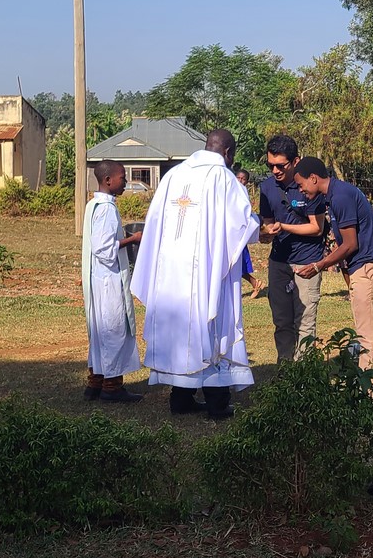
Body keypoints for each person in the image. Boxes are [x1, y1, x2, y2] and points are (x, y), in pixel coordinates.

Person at [132, 129, 260, 419]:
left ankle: (181, 398)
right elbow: (240, 223)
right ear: (228, 153)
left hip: (170, 271)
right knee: (211, 325)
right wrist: (258, 224)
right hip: (206, 270)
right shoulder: (223, 178)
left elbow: (154, 221)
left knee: (180, 331)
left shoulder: (173, 176)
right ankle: (217, 403)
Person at [293, 157, 373, 367]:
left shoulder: (340, 196)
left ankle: (370, 385)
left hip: (369, 265)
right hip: (365, 264)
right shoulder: (334, 195)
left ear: (313, 178)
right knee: (366, 327)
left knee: (367, 333)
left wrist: (318, 265)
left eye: (301, 184)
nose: (300, 190)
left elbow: (350, 244)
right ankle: (366, 377)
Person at [257, 135, 327, 362]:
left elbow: (317, 228)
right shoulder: (267, 187)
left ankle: (304, 373)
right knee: (282, 321)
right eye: (270, 165)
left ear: (295, 161)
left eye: (281, 165)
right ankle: (285, 370)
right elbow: (268, 223)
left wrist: (284, 226)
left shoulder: (309, 184)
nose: (275, 171)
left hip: (307, 261)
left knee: (305, 321)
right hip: (279, 261)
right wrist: (266, 234)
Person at [82, 160, 144, 403]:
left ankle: (95, 383)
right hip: (108, 280)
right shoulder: (106, 209)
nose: (126, 182)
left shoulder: (93, 205)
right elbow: (104, 249)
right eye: (122, 177)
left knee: (100, 333)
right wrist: (133, 239)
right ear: (108, 180)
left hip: (97, 278)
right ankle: (112, 386)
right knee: (114, 331)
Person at [233, 166, 264, 298]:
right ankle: (255, 283)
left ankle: (255, 283)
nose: (240, 181)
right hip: (232, 232)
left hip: (239, 233)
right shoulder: (232, 190)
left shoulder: (243, 192)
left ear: (247, 181)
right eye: (238, 178)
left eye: (243, 179)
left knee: (238, 263)